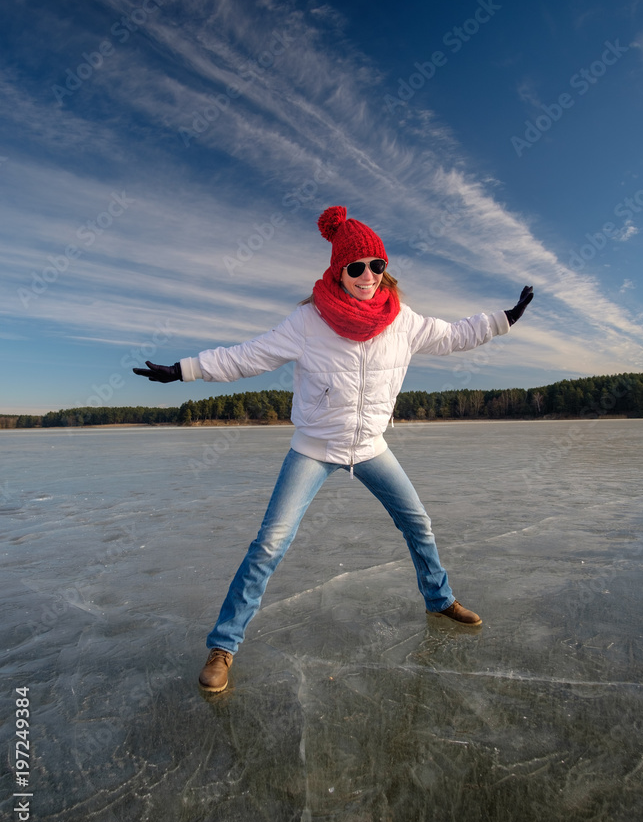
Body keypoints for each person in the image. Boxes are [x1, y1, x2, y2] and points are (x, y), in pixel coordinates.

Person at [134, 206, 533, 692]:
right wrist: (183, 370)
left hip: (370, 446)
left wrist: (504, 319)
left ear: (386, 269)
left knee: (419, 524)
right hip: (315, 446)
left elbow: (454, 335)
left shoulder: (401, 321)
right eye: (356, 267)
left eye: (377, 266)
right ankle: (224, 645)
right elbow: (248, 355)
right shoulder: (308, 321)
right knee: (269, 544)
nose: (368, 277)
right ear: (337, 271)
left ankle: (439, 599)